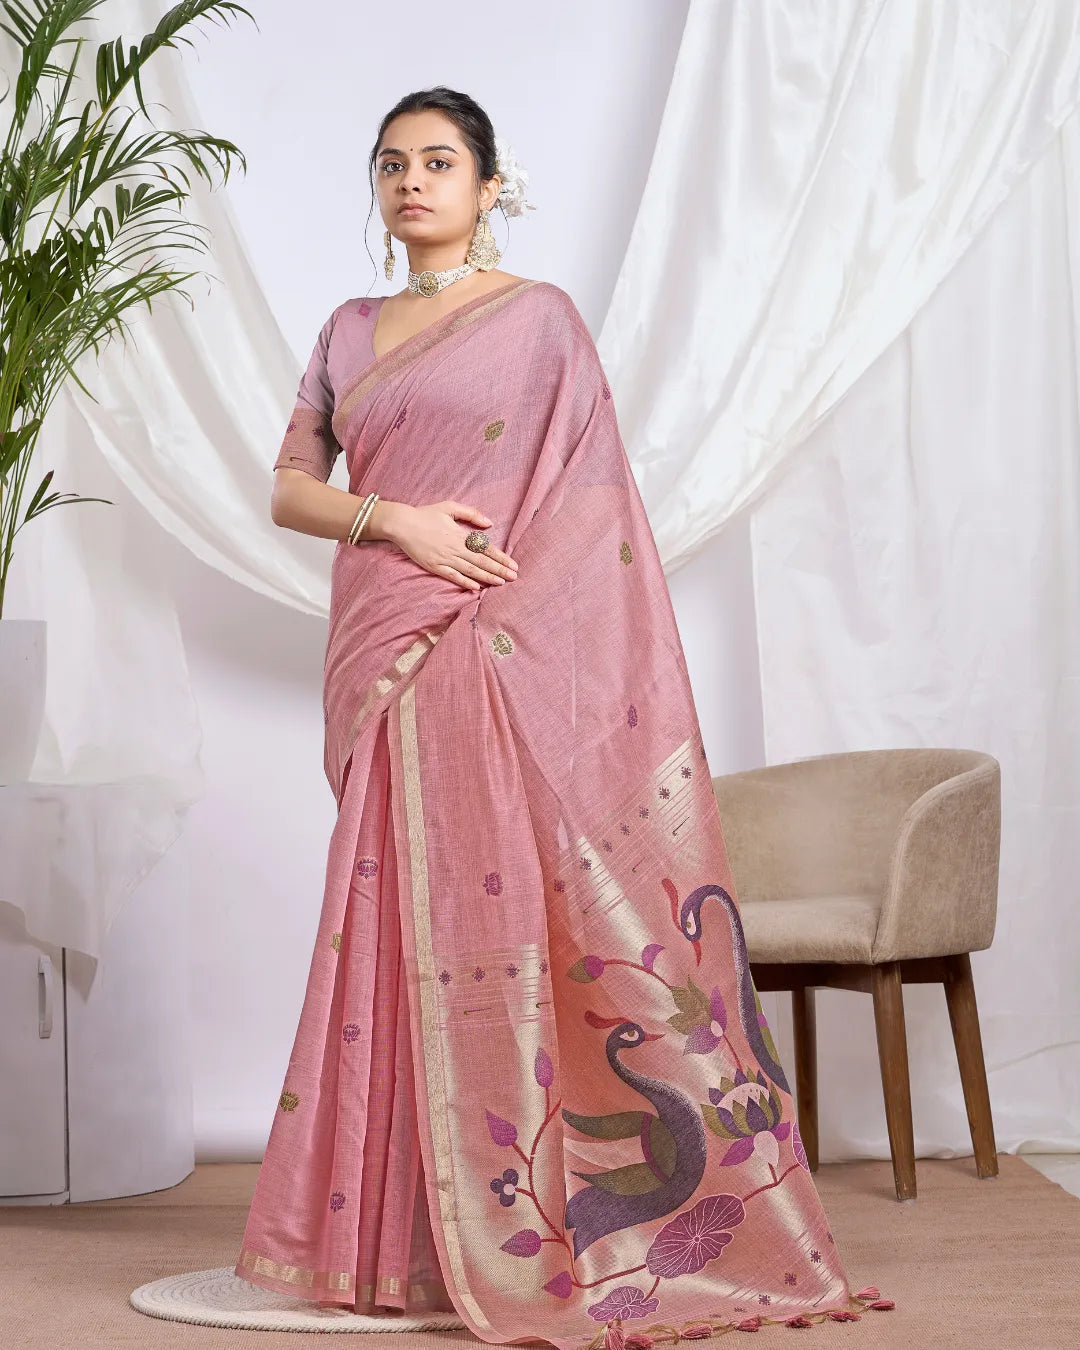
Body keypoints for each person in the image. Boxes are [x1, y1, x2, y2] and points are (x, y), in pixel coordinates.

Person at [234, 86, 889, 1350]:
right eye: (392, 163)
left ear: (490, 187)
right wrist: (397, 521)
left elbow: (587, 514)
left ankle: (520, 1230)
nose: (412, 181)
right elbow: (290, 489)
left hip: (485, 647)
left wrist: (498, 620)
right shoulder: (347, 330)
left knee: (485, 920)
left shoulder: (538, 322)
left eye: (439, 162)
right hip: (383, 641)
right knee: (390, 916)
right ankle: (397, 1243)